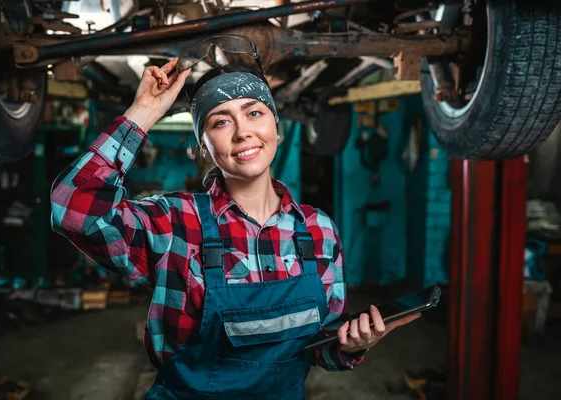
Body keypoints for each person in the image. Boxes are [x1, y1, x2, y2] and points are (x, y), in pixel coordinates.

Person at [50, 57, 420, 399]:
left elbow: (322, 347)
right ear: (205, 147)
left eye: (255, 112)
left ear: (276, 125)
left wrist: (351, 345)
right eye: (221, 120)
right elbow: (72, 208)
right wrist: (143, 113)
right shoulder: (176, 222)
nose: (243, 132)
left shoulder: (319, 229)